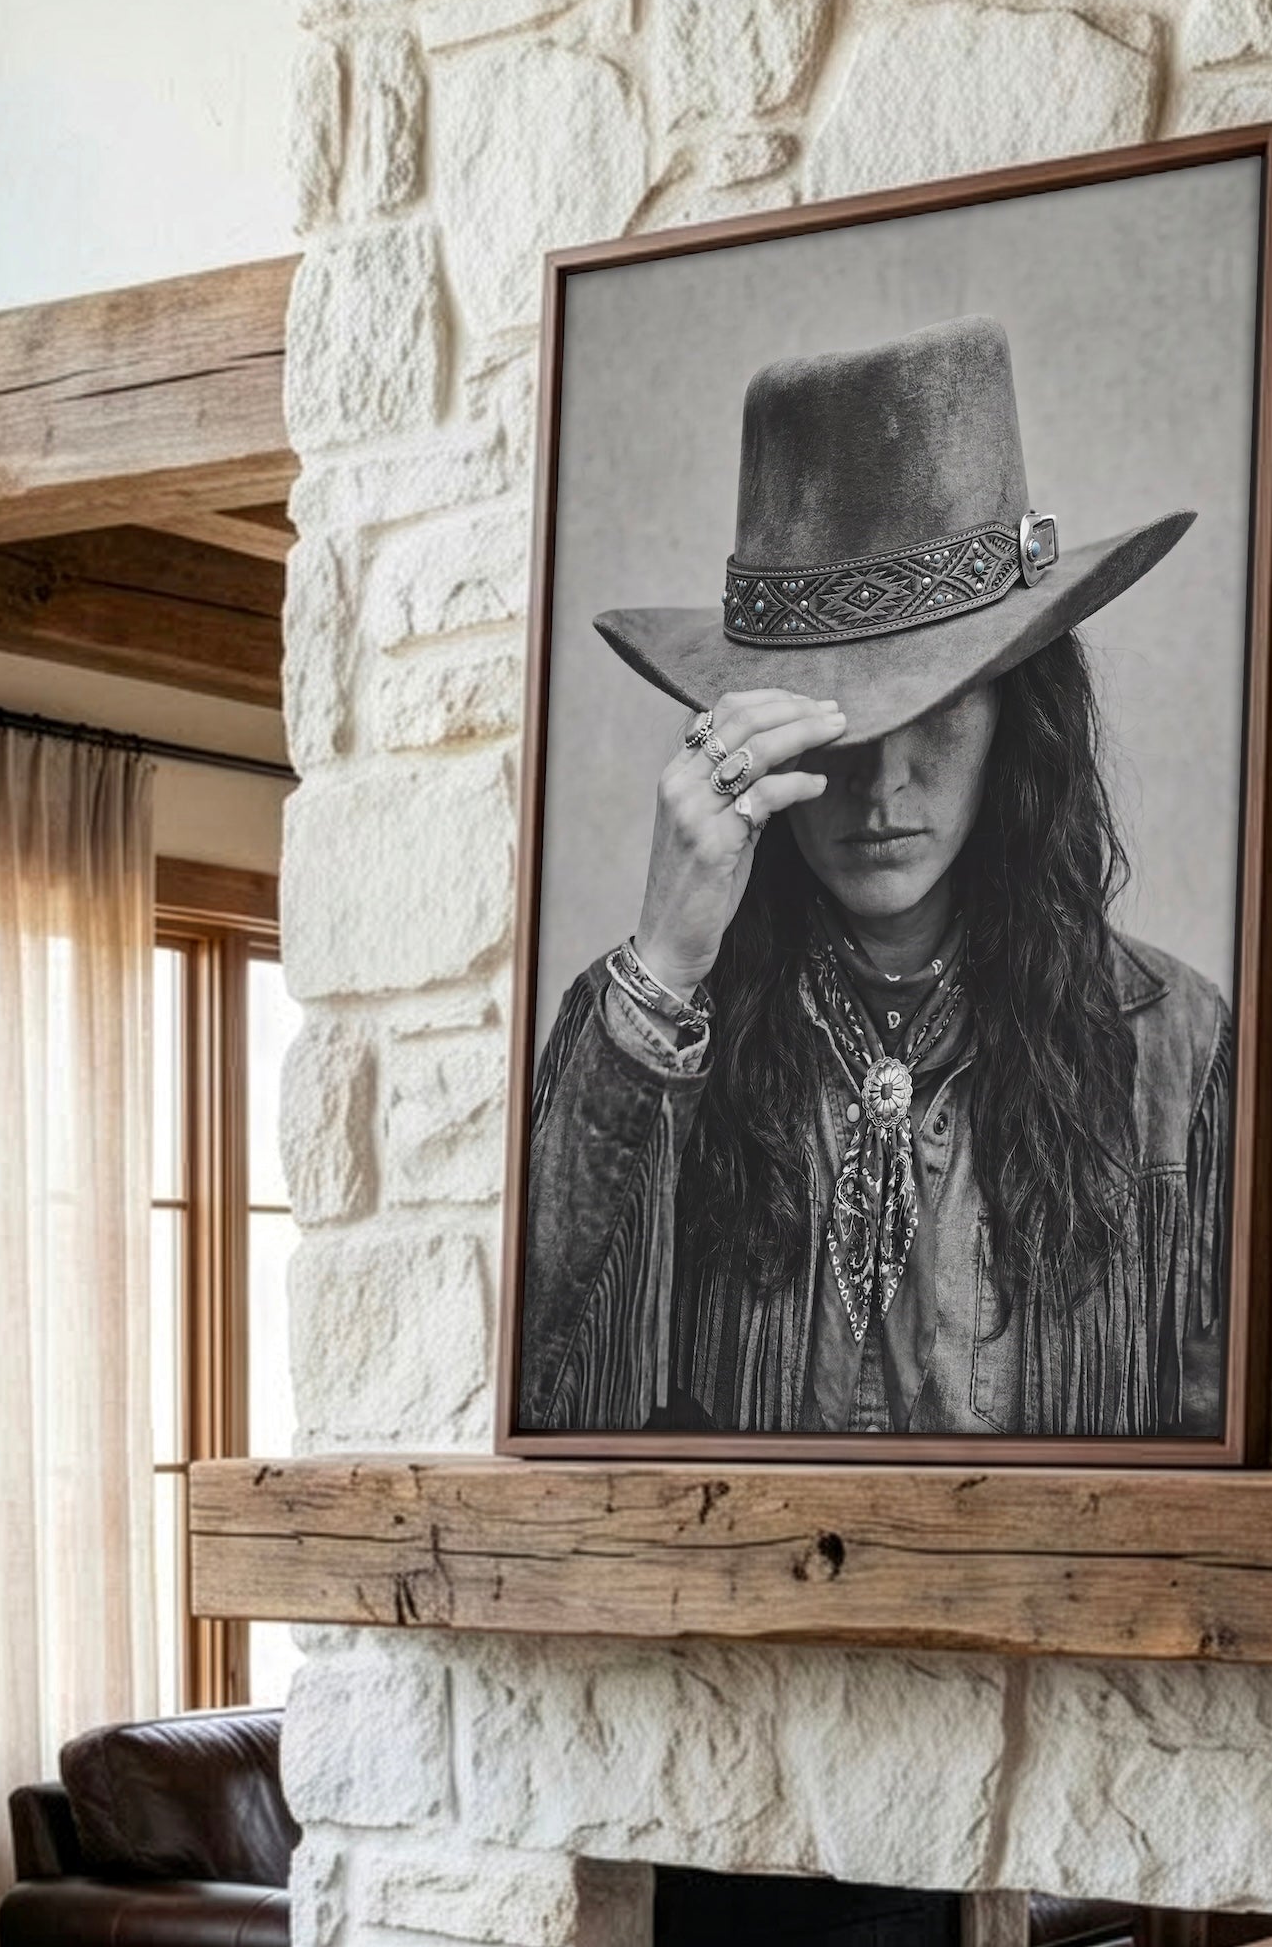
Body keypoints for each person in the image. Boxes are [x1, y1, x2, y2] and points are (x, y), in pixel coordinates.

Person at [516, 316, 1232, 1437]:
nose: (883, 780)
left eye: (936, 709)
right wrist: (663, 967)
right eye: (832, 723)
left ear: (1017, 720)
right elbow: (540, 1400)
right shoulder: (633, 1033)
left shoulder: (1173, 1046)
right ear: (747, 738)